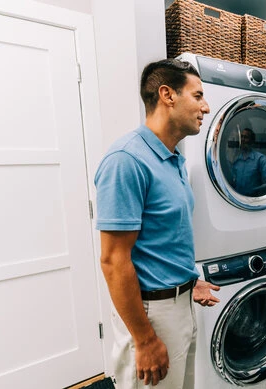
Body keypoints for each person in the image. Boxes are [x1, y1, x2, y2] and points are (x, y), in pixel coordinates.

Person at [94, 58, 220, 389]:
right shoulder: (126, 160)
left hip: (181, 306)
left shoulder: (174, 159)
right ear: (167, 95)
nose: (205, 107)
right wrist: (145, 339)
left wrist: (189, 282)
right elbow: (112, 260)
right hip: (149, 314)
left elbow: (164, 237)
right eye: (198, 96)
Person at [231, 128, 266, 196]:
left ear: (252, 141)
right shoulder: (236, 160)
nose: (243, 139)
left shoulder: (260, 159)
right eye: (241, 137)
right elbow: (232, 181)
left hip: (254, 201)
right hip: (236, 200)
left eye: (246, 137)